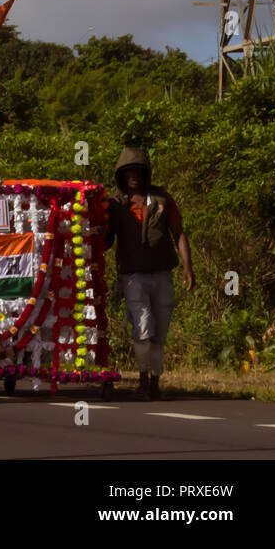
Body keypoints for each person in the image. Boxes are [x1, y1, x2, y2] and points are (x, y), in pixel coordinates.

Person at [106, 147, 194, 401]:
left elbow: (178, 231)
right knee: (143, 327)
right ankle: (143, 378)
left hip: (163, 274)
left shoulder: (162, 199)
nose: (133, 175)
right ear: (121, 176)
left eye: (137, 171)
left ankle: (155, 380)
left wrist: (188, 267)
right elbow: (108, 240)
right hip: (133, 276)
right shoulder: (115, 204)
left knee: (160, 332)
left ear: (145, 173)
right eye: (128, 172)